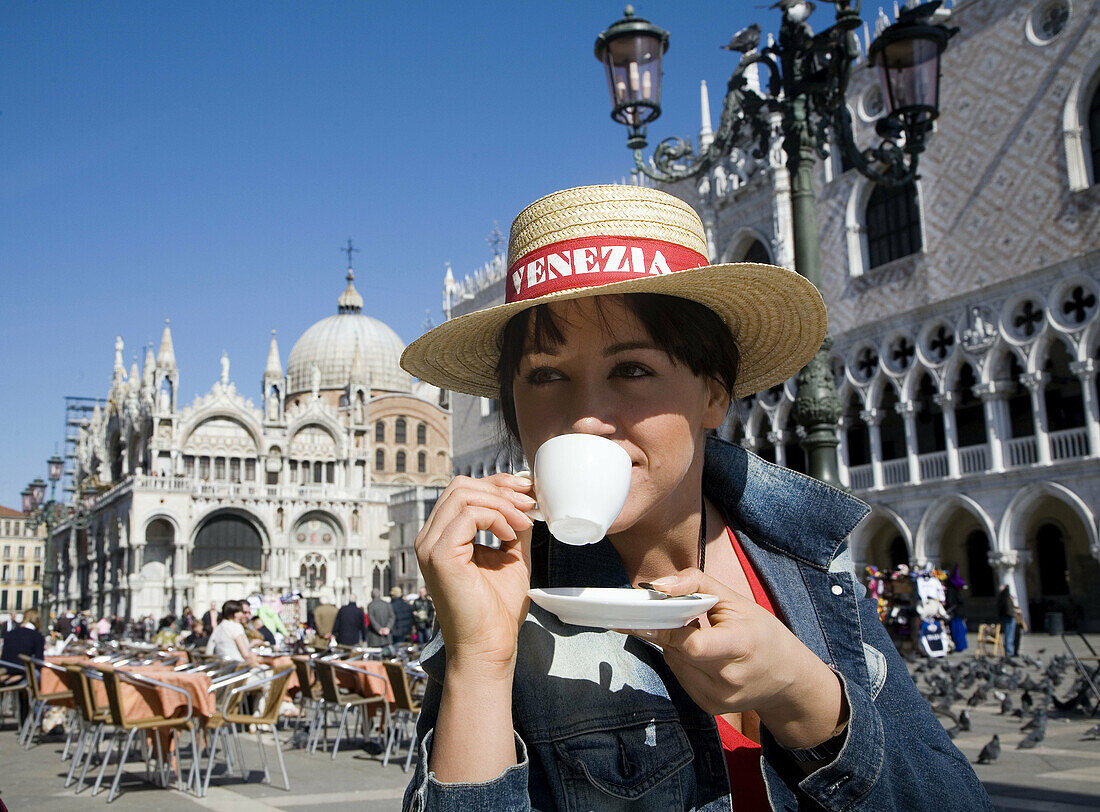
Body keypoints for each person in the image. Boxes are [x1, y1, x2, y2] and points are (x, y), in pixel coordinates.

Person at [398, 185, 991, 811]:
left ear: (713, 396)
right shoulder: (500, 599)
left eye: (632, 370)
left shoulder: (805, 561)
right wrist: (480, 661)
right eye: (546, 376)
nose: (586, 418)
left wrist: (802, 693)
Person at [1, 608, 46, 724]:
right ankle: (42, 718)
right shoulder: (37, 637)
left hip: (6, 673)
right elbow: (39, 662)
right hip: (20, 674)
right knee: (41, 679)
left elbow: (5, 657)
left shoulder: (10, 634)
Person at [205, 600, 258, 666]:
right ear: (236, 614)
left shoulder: (218, 628)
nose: (243, 615)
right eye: (242, 612)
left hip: (221, 667)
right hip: (238, 667)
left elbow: (209, 651)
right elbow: (246, 655)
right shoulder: (236, 627)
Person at [996, 585, 1018, 658]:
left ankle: (1009, 651)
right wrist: (1013, 613)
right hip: (1009, 617)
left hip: (1007, 617)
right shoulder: (1005, 597)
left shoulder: (1003, 597)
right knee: (1009, 635)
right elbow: (1008, 609)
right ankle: (1009, 652)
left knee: (1009, 635)